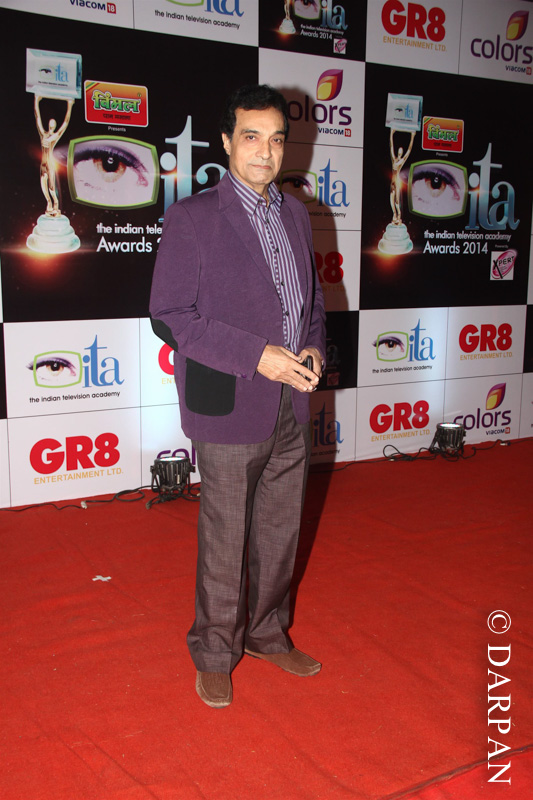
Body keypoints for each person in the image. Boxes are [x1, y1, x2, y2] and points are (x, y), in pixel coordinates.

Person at [149, 84, 326, 708]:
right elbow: (170, 315)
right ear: (227, 141)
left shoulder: (297, 214)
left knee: (280, 529)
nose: (265, 152)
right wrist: (257, 356)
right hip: (228, 401)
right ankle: (215, 652)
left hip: (291, 400)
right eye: (251, 137)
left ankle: (267, 634)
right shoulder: (193, 217)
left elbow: (309, 305)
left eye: (276, 139)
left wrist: (313, 351)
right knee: (225, 537)